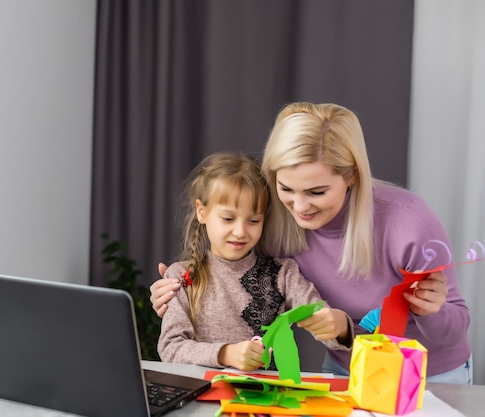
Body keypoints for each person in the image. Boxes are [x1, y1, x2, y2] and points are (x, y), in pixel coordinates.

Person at [151, 102, 472, 384]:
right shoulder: (270, 220)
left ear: (352, 176)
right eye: (286, 188)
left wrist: (432, 311)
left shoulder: (408, 222)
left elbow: (455, 328)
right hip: (347, 371)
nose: (300, 207)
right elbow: (229, 276)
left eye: (316, 192)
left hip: (429, 377)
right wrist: (175, 294)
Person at [157, 151, 353, 372]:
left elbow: (322, 320)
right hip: (202, 396)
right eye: (228, 218)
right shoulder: (182, 277)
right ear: (202, 212)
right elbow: (170, 348)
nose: (240, 231)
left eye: (253, 220)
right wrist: (226, 353)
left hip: (267, 400)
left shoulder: (283, 273)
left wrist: (339, 326)